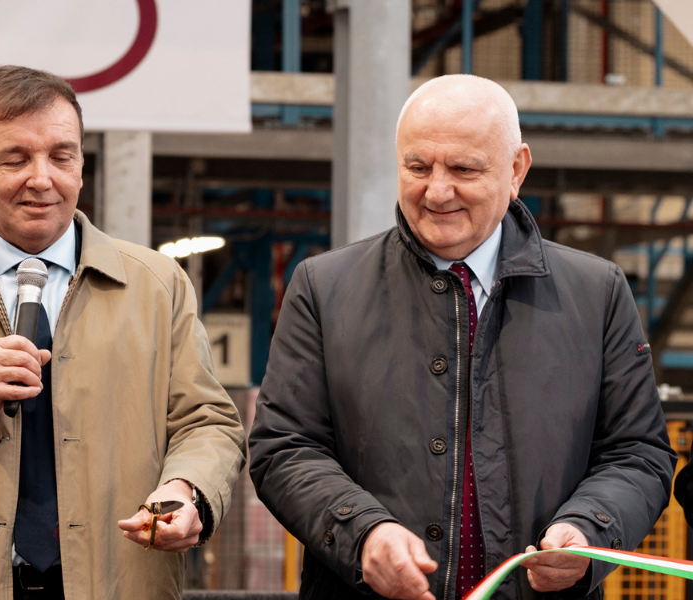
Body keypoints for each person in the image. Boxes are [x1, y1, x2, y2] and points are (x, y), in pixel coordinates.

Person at [249, 74, 676, 600]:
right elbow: (283, 447)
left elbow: (638, 453)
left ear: (517, 169)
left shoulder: (598, 294)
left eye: (463, 169)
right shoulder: (323, 288)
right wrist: (362, 533)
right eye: (417, 167)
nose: (437, 190)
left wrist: (588, 530)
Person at [0, 65, 246, 600]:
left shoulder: (157, 287)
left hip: (120, 581)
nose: (42, 178)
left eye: (61, 155)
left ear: (81, 165)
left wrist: (188, 489)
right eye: (15, 158)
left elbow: (208, 422)